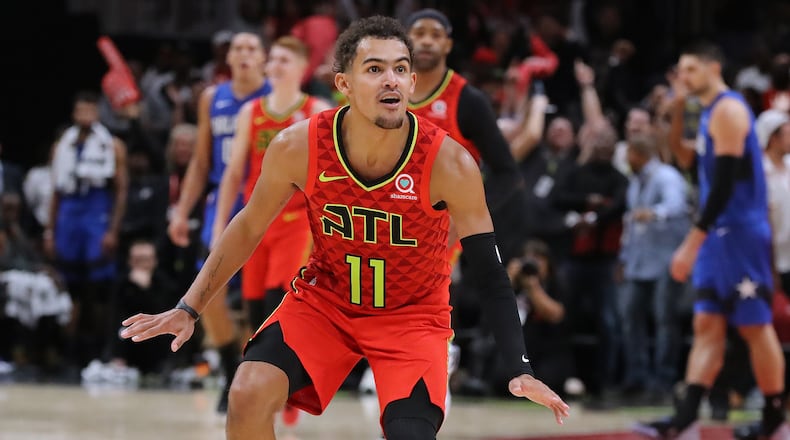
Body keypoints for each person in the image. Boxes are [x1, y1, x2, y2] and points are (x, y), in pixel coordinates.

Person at [121, 16, 569, 440]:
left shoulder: (450, 164)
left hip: (411, 316)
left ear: (413, 83)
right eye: (374, 69)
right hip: (325, 301)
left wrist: (519, 366)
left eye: (400, 69)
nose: (390, 79)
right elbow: (249, 225)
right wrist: (189, 307)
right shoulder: (298, 145)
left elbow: (491, 275)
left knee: (410, 433)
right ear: (344, 84)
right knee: (246, 392)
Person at [637, 42, 789, 440]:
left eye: (690, 70)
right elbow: (686, 162)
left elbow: (722, 185)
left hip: (738, 231)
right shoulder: (706, 113)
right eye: (680, 71)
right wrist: (672, 115)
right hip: (719, 233)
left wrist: (692, 241)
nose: (683, 78)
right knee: (707, 323)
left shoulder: (729, 109)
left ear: (712, 67)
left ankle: (774, 415)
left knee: (755, 327)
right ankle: (684, 417)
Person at [166, 32, 270, 414]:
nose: (243, 53)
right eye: (237, 48)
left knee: (259, 296)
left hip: (269, 201)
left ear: (264, 58)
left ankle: (255, 375)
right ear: (228, 57)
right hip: (222, 203)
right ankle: (230, 368)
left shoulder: (277, 96)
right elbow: (200, 162)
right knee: (208, 290)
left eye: (252, 47)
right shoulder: (213, 97)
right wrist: (181, 211)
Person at [213, 36, 331, 331]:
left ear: (303, 68)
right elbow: (233, 174)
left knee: (281, 307)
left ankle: (291, 375)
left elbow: (329, 179)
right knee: (253, 310)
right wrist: (219, 227)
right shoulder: (250, 112)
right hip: (257, 222)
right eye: (274, 59)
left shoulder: (316, 110)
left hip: (296, 224)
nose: (276, 65)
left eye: (285, 60)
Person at [405, 8, 531, 263]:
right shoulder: (388, 93)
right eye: (419, 33)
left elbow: (508, 174)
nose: (427, 40)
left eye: (435, 35)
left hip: (443, 235)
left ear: (448, 44)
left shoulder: (468, 100)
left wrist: (464, 214)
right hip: (391, 223)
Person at [46, 90, 128, 369]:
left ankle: (99, 348)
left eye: (90, 110)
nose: (85, 115)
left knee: (99, 286)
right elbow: (54, 191)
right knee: (70, 287)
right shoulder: (62, 145)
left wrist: (113, 229)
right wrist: (49, 230)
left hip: (97, 212)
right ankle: (70, 351)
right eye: (81, 110)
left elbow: (121, 190)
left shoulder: (112, 145)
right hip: (69, 213)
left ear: (97, 113)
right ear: (74, 113)